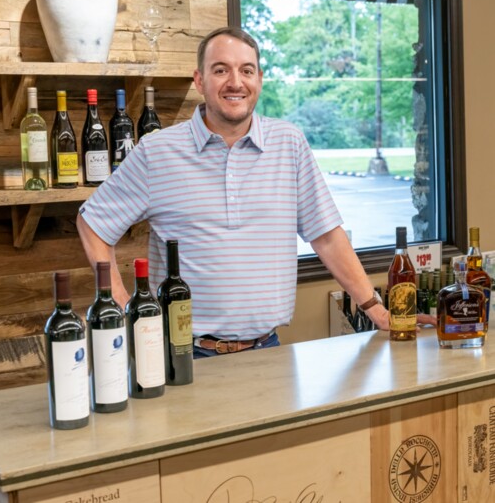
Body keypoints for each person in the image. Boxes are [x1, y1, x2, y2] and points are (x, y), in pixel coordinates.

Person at [76, 26, 432, 358]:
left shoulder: (289, 143)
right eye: (220, 70)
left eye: (247, 70)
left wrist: (376, 309)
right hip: (182, 353)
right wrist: (125, 307)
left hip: (270, 350)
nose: (235, 82)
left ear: (259, 79)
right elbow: (92, 223)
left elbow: (326, 236)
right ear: (199, 80)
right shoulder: (157, 152)